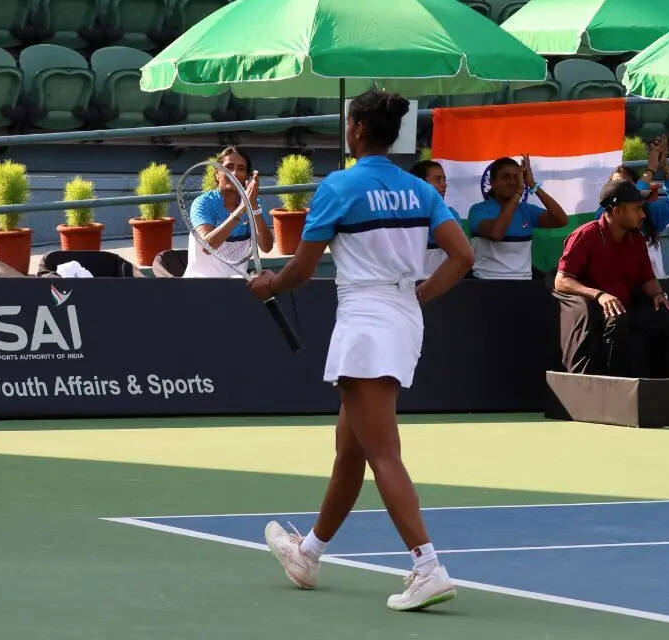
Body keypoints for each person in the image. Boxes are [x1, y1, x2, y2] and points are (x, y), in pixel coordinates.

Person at [248, 90, 473, 611]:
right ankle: (308, 553)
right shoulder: (420, 188)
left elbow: (302, 270)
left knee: (382, 452)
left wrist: (269, 285)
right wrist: (421, 294)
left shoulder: (339, 186)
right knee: (351, 450)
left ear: (354, 131)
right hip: (402, 317)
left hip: (365, 321)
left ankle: (427, 566)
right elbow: (461, 255)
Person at [554, 179, 669, 378]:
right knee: (618, 320)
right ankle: (616, 388)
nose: (643, 214)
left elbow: (647, 278)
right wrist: (599, 296)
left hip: (626, 307)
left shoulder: (637, 240)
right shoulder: (585, 235)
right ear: (616, 211)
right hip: (594, 311)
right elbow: (561, 280)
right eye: (637, 209)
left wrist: (658, 294)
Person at [467, 155, 568, 279]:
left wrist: (533, 185)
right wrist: (518, 193)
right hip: (487, 283)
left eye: (516, 177)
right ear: (492, 182)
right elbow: (496, 233)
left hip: (523, 284)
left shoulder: (525, 210)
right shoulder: (478, 210)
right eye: (505, 177)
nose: (512, 182)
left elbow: (561, 220)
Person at [601, 136, 669, 278]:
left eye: (626, 183)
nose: (642, 216)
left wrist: (664, 165)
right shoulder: (605, 212)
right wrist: (651, 169)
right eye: (616, 184)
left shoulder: (649, 211)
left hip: (658, 286)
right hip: (623, 289)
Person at [183, 146, 273, 278]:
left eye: (241, 168)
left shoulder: (255, 204)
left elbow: (266, 247)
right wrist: (241, 210)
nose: (234, 173)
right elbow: (207, 247)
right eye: (229, 167)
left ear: (247, 177)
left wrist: (253, 207)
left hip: (237, 283)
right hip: (199, 284)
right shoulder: (202, 203)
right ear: (217, 173)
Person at [409, 159, 462, 280]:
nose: (444, 184)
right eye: (438, 179)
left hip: (442, 285)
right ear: (420, 183)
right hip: (409, 285)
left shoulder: (452, 213)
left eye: (444, 179)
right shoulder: (402, 214)